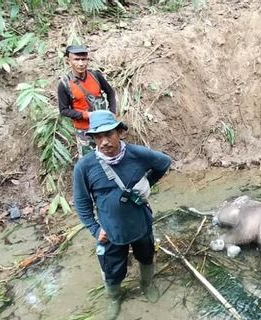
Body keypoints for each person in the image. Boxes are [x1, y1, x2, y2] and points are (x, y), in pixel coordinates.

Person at [73, 110, 171, 319]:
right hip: (110, 232)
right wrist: (95, 229)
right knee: (112, 270)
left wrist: (146, 184)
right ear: (93, 139)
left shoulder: (137, 154)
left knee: (146, 258)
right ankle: (114, 298)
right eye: (98, 137)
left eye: (109, 134)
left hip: (141, 223)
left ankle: (147, 286)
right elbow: (82, 203)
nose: (104, 142)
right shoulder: (85, 166)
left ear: (120, 133)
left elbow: (164, 163)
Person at [58, 44, 117, 156]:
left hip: (103, 127)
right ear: (68, 61)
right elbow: (64, 110)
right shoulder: (64, 84)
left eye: (84, 59)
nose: (81, 63)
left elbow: (110, 92)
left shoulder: (95, 76)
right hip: (84, 130)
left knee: (110, 156)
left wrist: (112, 112)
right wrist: (86, 115)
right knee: (89, 160)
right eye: (77, 59)